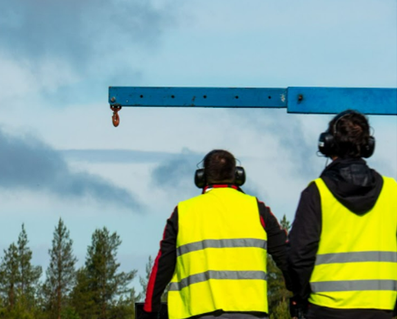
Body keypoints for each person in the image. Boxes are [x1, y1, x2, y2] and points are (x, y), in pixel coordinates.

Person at [142, 149, 290, 319]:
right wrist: (300, 296)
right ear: (238, 176)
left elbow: (163, 265)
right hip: (252, 313)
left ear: (201, 177)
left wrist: (149, 309)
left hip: (197, 313)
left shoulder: (184, 212)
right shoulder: (257, 209)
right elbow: (286, 257)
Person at [287, 110, 397, 319]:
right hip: (380, 309)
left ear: (328, 144)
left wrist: (300, 297)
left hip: (325, 309)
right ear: (367, 146)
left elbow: (299, 255)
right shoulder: (393, 191)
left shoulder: (317, 192)